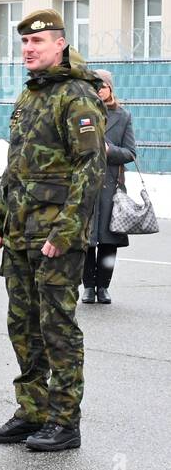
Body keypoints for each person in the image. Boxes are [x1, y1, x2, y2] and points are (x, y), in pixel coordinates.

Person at [0, 9, 105, 453]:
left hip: (55, 235)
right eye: (24, 44)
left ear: (60, 44)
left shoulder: (76, 96)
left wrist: (67, 232)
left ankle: (64, 420)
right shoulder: (30, 95)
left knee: (57, 326)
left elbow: (90, 170)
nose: (29, 50)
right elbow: (15, 166)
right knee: (23, 325)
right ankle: (31, 410)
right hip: (20, 232)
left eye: (37, 43)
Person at [82, 70, 137, 306]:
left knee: (108, 241)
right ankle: (88, 287)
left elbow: (130, 153)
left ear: (110, 88)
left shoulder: (123, 116)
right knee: (86, 240)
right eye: (95, 86)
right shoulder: (82, 114)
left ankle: (103, 286)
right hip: (84, 186)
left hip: (110, 189)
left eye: (103, 86)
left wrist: (108, 151)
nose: (99, 90)